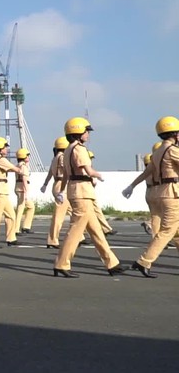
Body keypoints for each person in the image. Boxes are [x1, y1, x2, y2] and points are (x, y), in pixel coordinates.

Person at [52, 117, 125, 278]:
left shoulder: (68, 150)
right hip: (82, 192)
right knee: (76, 230)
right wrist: (99, 176)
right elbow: (89, 171)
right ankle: (61, 264)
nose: (88, 134)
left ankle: (112, 263)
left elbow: (65, 175)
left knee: (96, 231)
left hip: (76, 190)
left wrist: (61, 191)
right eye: (86, 131)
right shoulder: (80, 149)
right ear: (78, 133)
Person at [126, 116, 179, 278]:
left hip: (160, 193)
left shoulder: (157, 152)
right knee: (167, 231)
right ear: (175, 134)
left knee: (177, 231)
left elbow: (147, 172)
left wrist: (132, 185)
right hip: (172, 193)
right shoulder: (172, 150)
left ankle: (144, 261)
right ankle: (144, 261)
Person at [40, 137, 71, 249]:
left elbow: (49, 173)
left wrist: (45, 184)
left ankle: (79, 236)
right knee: (59, 215)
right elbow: (67, 170)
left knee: (73, 211)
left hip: (57, 184)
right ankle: (52, 240)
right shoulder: (62, 157)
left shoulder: (55, 158)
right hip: (62, 185)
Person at [88, 151, 117, 236]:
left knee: (95, 212)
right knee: (93, 212)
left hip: (88, 191)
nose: (91, 160)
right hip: (86, 191)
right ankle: (105, 229)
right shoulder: (86, 167)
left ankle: (105, 229)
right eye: (90, 158)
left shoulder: (88, 167)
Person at [15, 148, 35, 235]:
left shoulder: (19, 165)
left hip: (19, 187)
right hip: (22, 189)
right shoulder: (23, 166)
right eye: (27, 155)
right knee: (20, 209)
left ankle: (26, 226)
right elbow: (24, 179)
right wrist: (26, 191)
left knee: (31, 206)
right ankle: (16, 229)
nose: (28, 157)